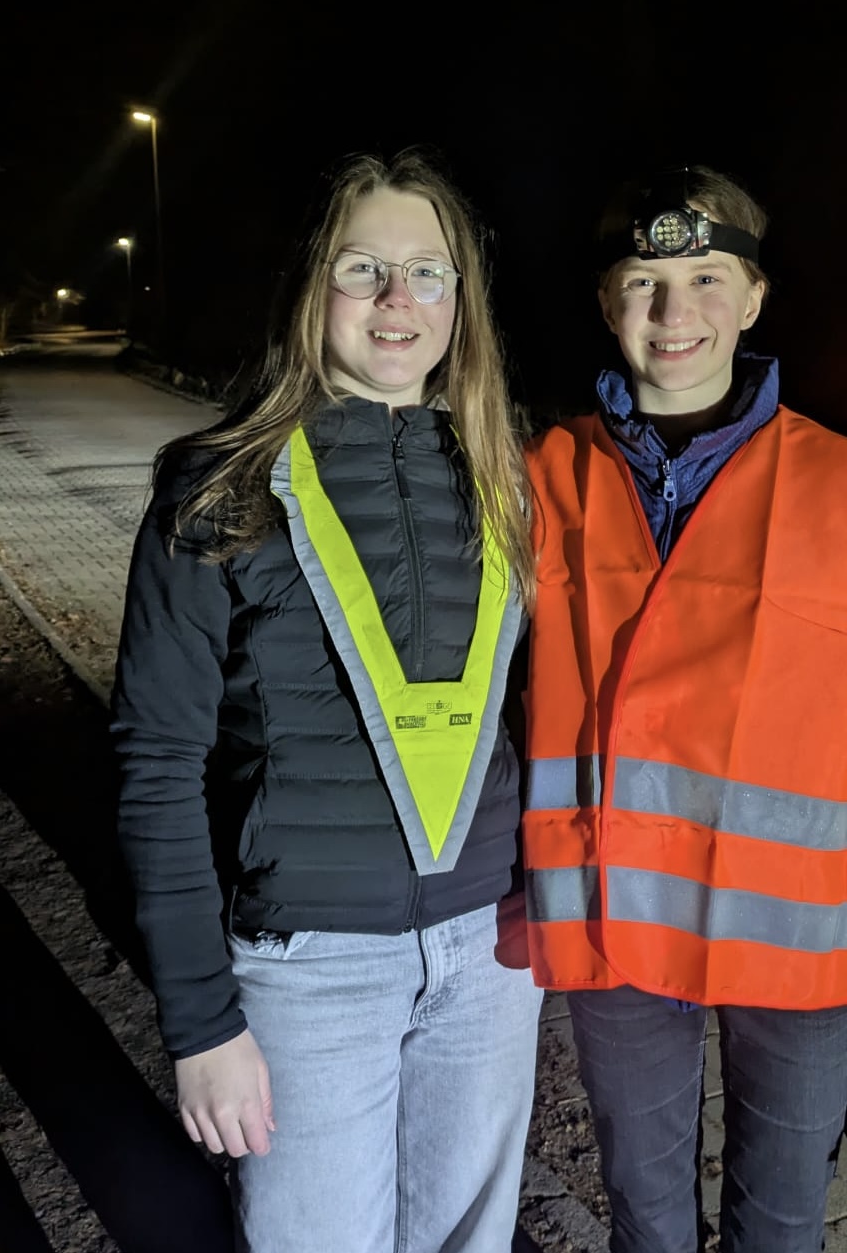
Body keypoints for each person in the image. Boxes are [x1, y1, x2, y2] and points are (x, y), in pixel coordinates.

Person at [520, 165, 847, 1253]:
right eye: (643, 280)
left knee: (784, 1222)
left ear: (754, 298)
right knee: (647, 1221)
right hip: (612, 919)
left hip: (792, 935)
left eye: (708, 277)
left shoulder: (844, 488)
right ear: (606, 301)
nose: (675, 311)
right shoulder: (541, 478)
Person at [111, 150, 543, 1253]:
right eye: (363, 267)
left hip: (490, 959)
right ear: (314, 284)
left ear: (462, 297)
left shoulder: (511, 479)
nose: (398, 298)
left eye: (428, 272)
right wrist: (201, 1021)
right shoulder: (216, 487)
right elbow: (156, 763)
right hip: (312, 976)